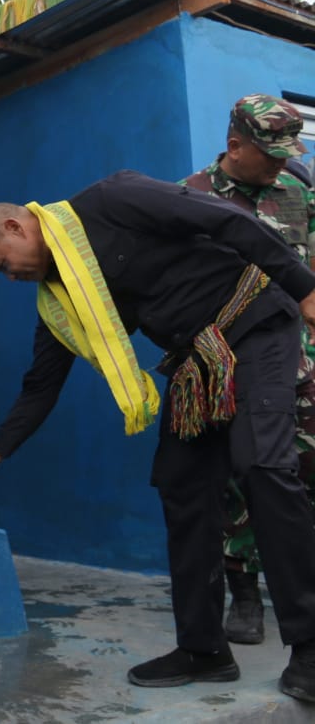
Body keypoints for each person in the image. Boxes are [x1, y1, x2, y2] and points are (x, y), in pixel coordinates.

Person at [0, 169, 315, 702]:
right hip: (198, 362)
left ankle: (310, 646)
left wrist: (305, 289)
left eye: (2, 266)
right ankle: (204, 650)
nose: (8, 278)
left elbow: (228, 218)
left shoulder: (112, 199)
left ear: (15, 227)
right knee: (181, 484)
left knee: (262, 465)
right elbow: (40, 387)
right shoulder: (59, 299)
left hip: (254, 323)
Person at [181, 94, 315, 646]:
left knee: (301, 471)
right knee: (242, 476)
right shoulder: (194, 196)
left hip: (301, 351)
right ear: (235, 145)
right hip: (235, 356)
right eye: (271, 154)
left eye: (289, 152)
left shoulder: (298, 187)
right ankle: (244, 593)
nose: (282, 164)